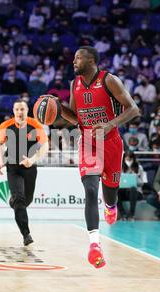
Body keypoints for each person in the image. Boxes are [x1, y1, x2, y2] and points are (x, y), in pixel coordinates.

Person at [60, 46, 140, 268]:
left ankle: (111, 206)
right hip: (88, 142)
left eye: (78, 58)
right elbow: (76, 118)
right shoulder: (74, 84)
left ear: (92, 60)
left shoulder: (109, 80)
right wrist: (57, 108)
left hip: (112, 142)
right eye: (73, 58)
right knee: (91, 189)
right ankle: (94, 244)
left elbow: (133, 109)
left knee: (110, 192)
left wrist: (111, 124)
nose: (73, 62)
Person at [0, 99, 49, 246]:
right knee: (19, 200)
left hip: (30, 168)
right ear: (13, 111)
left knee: (26, 201)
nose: (20, 112)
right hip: (12, 167)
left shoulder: (35, 125)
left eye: (22, 109)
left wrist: (32, 159)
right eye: (17, 109)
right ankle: (26, 234)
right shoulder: (5, 126)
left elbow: (45, 145)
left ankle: (14, 202)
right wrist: (0, 161)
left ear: (27, 110)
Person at [117, 151, 145, 220]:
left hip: (136, 192)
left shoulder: (139, 168)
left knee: (133, 189)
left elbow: (142, 183)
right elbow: (117, 181)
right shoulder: (120, 167)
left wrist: (135, 177)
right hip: (123, 191)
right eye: (127, 159)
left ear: (133, 159)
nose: (128, 161)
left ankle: (131, 214)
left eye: (130, 159)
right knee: (115, 191)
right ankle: (122, 214)